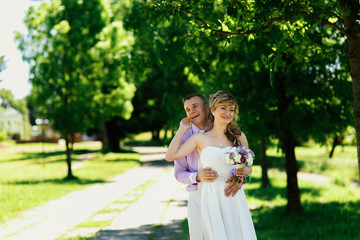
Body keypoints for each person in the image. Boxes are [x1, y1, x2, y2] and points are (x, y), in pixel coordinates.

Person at [166, 90, 256, 240]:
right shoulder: (196, 137)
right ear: (213, 110)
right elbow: (171, 158)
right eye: (188, 109)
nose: (227, 113)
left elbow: (248, 167)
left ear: (207, 108)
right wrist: (181, 129)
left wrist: (241, 178)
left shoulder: (238, 136)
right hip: (205, 196)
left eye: (231, 110)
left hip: (232, 196)